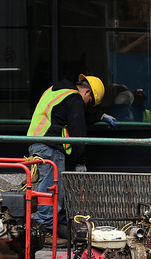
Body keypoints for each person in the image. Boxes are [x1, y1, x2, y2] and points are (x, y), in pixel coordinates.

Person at [27, 74, 117, 242]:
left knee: (53, 188)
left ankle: (58, 225)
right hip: (50, 146)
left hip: (37, 143)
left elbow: (71, 117)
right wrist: (80, 160)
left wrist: (99, 117)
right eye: (89, 101)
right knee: (51, 190)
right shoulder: (74, 98)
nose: (86, 105)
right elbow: (78, 130)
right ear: (87, 92)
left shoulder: (56, 91)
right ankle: (43, 231)